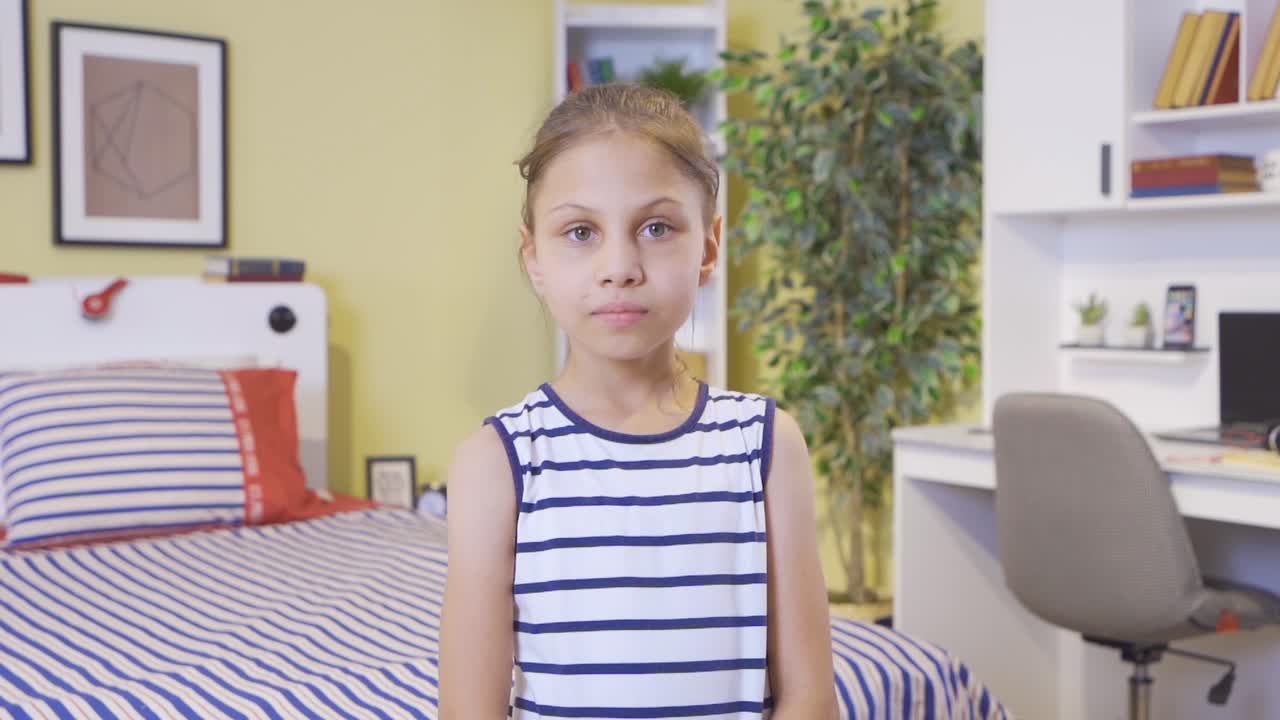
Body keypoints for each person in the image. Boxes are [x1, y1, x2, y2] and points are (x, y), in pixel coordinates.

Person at [439, 83, 837, 719]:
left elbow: (811, 699)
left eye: (656, 227)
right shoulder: (497, 462)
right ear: (534, 256)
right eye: (580, 231)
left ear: (707, 247)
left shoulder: (764, 444)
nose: (619, 265)